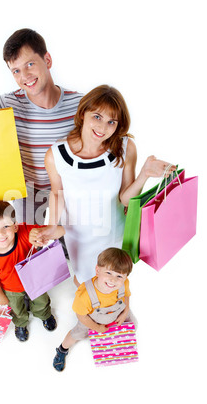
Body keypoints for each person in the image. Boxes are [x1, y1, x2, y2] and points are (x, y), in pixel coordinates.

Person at [35, 85, 176, 286]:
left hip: (114, 233)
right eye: (97, 117)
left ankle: (115, 311)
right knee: (84, 281)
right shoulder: (56, 155)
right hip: (80, 236)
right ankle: (85, 315)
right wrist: (51, 225)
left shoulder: (125, 147)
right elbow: (57, 194)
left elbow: (125, 199)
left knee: (113, 280)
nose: (102, 127)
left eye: (111, 122)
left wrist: (144, 175)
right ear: (83, 113)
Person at [0, 29, 83, 224]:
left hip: (69, 191)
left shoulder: (80, 104)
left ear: (47, 60)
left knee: (72, 248)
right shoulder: (7, 104)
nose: (25, 76)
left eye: (30, 64)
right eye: (16, 70)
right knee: (29, 248)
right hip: (28, 192)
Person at [0, 200, 65, 342]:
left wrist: (41, 233)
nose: (0, 233)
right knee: (16, 309)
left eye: (6, 226)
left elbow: (61, 231)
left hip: (35, 281)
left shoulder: (26, 232)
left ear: (15, 227)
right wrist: (0, 296)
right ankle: (21, 323)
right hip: (11, 289)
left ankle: (44, 314)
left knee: (42, 301)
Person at [53, 247, 135, 372]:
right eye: (109, 273)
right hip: (91, 320)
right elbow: (81, 316)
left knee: (133, 323)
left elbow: (126, 295)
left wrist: (125, 311)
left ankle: (117, 342)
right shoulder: (85, 295)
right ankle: (62, 349)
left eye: (119, 276)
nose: (113, 280)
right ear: (97, 270)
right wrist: (97, 328)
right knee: (77, 334)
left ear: (125, 277)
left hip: (118, 313)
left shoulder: (124, 283)